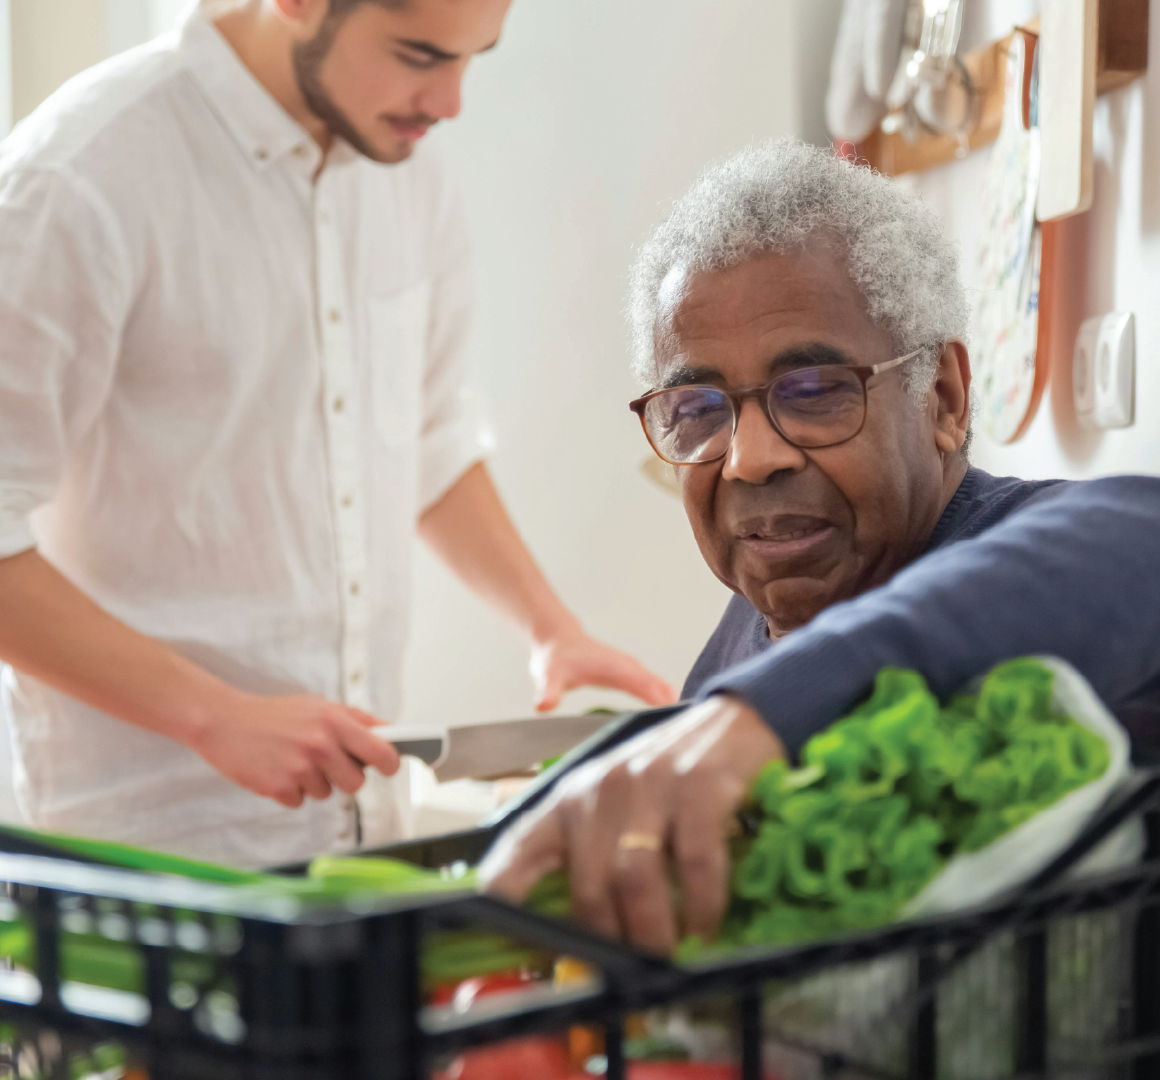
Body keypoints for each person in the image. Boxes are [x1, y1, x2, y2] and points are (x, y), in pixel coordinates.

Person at [481, 139, 1160, 955]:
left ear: (942, 397)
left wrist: (775, 710)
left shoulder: (1035, 571)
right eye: (698, 410)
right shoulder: (741, 641)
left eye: (814, 392)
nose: (750, 457)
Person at [0, 0, 675, 867]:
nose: (450, 101)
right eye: (418, 53)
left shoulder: (404, 164)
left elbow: (428, 439)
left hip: (362, 836)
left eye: (474, 59)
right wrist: (215, 714)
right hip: (145, 861)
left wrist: (551, 630)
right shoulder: (75, 182)